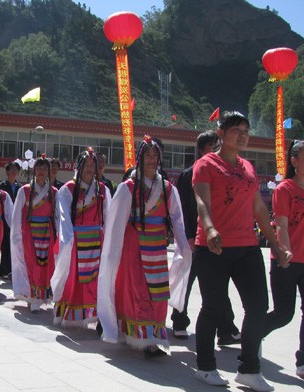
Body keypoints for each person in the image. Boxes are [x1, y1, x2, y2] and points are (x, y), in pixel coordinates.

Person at [192, 111, 288, 392]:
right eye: (237, 130)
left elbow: (259, 208)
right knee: (213, 307)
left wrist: (276, 243)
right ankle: (206, 367)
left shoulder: (247, 167)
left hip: (247, 246)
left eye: (246, 130)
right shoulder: (206, 164)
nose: (243, 135)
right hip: (213, 248)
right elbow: (201, 201)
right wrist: (209, 229)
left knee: (257, 306)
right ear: (221, 133)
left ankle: (248, 369)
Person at [98, 136, 192, 356]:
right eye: (147, 155)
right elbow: (115, 224)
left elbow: (177, 219)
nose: (151, 159)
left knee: (158, 292)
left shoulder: (167, 188)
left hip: (157, 246)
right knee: (137, 289)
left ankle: (153, 336)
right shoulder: (128, 188)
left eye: (155, 155)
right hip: (134, 246)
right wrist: (113, 254)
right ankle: (141, 337)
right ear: (140, 158)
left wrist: (184, 245)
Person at [262, 140, 304, 382]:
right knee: (283, 313)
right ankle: (252, 336)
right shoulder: (284, 189)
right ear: (294, 162)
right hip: (286, 261)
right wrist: (285, 253)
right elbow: (280, 224)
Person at [171, 130, 241, 344]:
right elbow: (181, 209)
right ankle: (179, 321)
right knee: (186, 281)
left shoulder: (224, 173)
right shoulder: (188, 174)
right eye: (213, 147)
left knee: (217, 285)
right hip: (193, 239)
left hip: (215, 239)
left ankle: (226, 328)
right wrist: (188, 236)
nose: (217, 151)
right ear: (201, 150)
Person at [51, 149, 111, 328]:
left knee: (97, 279)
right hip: (75, 240)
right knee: (73, 279)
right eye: (86, 164)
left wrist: (108, 241)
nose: (90, 168)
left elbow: (108, 216)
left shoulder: (102, 189)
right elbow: (63, 217)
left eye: (93, 165)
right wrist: (68, 241)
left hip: (96, 240)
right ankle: (70, 313)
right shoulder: (68, 189)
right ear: (79, 166)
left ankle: (99, 316)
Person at [11, 157, 58, 311]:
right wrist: (16, 236)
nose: (42, 171)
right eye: (39, 168)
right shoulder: (24, 191)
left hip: (47, 232)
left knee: (46, 264)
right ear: (34, 170)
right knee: (32, 263)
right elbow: (17, 215)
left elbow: (57, 216)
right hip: (30, 232)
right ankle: (33, 296)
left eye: (45, 168)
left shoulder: (53, 192)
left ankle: (44, 295)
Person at [0, 161, 22, 279]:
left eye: (15, 170)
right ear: (7, 172)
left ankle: (12, 269)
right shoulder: (1, 186)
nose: (13, 172)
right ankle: (4, 269)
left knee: (15, 244)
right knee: (5, 244)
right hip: (3, 219)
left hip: (16, 220)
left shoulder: (20, 188)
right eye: (11, 170)